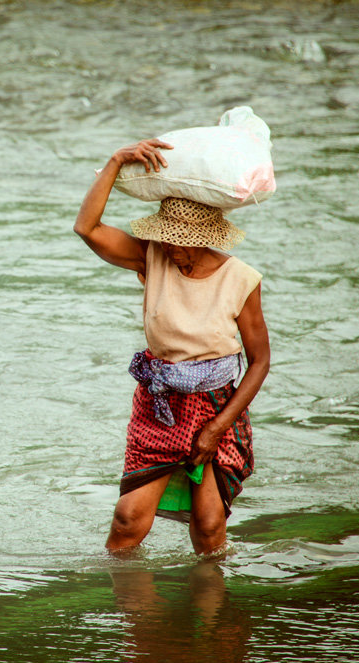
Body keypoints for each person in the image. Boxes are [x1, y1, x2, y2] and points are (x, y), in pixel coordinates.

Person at [73, 139, 271, 556]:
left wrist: (217, 428)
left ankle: (212, 607)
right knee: (128, 520)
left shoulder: (241, 279)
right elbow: (86, 228)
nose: (170, 246)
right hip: (160, 401)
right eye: (165, 238)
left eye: (179, 241)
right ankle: (127, 602)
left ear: (205, 240)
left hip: (216, 405)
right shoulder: (152, 258)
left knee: (210, 527)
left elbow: (259, 361)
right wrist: (115, 160)